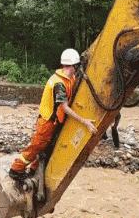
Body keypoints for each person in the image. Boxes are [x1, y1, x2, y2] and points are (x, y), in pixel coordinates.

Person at [9, 48, 97, 180]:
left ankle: (34, 169)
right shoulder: (59, 84)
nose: (78, 68)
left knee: (45, 148)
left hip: (54, 120)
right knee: (37, 146)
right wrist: (84, 121)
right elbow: (64, 107)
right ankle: (16, 169)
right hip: (47, 122)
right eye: (77, 66)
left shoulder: (67, 77)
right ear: (72, 65)